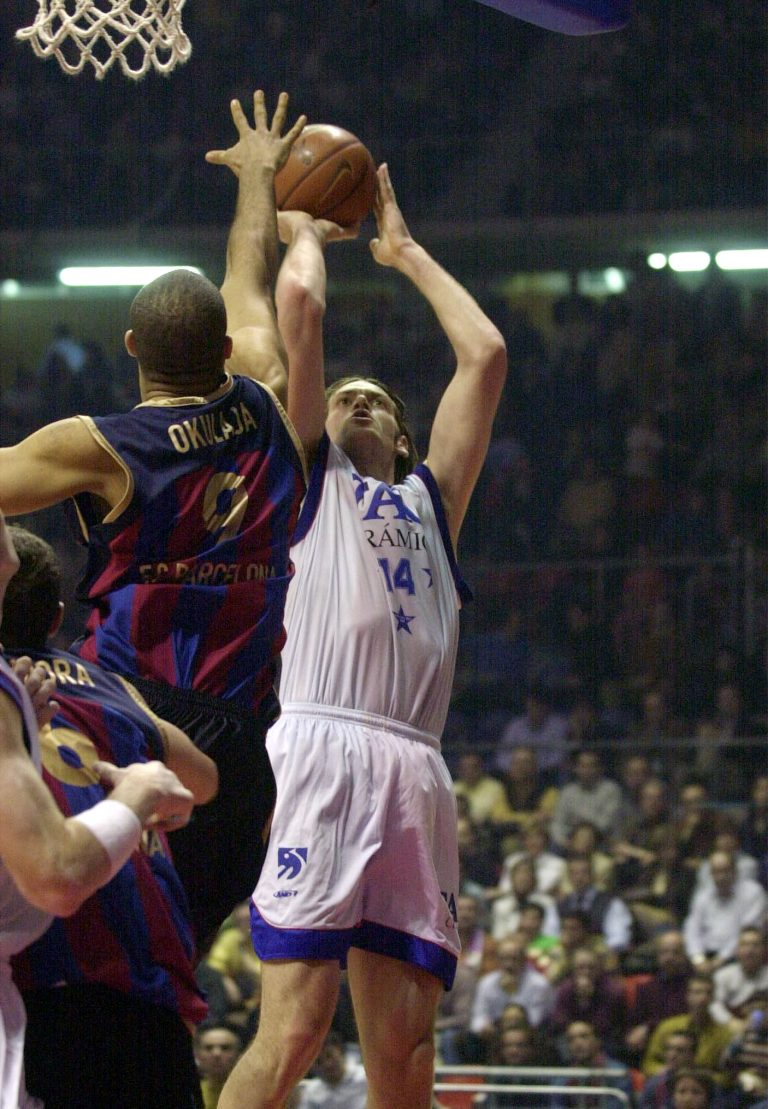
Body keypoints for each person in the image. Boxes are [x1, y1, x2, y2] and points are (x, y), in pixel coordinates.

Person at [219, 162, 507, 1109]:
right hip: (322, 744)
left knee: (407, 1050)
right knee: (296, 1030)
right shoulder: (310, 480)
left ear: (407, 436)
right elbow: (299, 306)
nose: (358, 402)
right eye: (344, 395)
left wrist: (407, 253)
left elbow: (485, 355)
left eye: (377, 397)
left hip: (416, 767)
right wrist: (306, 228)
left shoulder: (433, 503)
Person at [0, 91, 312, 942]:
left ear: (131, 347)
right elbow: (247, 274)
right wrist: (258, 176)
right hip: (243, 738)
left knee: (88, 935)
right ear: (225, 349)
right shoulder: (266, 396)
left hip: (130, 716)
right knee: (178, 953)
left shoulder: (104, 448)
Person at [2, 525, 218, 1108]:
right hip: (142, 980)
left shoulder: (16, 691)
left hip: (45, 985)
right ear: (56, 619)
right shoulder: (110, 686)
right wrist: (138, 780)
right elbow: (204, 780)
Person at [683, 851, 768, 973]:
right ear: (711, 874)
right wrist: (698, 959)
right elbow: (692, 929)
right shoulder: (703, 896)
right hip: (705, 957)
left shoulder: (754, 893)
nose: (721, 877)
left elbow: (748, 931)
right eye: (716, 872)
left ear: (735, 871)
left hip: (738, 957)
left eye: (725, 871)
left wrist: (721, 959)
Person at [643, 974, 733, 1081]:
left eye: (708, 993)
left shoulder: (724, 1034)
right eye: (697, 992)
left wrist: (701, 1078)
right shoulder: (668, 1027)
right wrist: (668, 1072)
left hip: (705, 1085)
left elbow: (727, 1075)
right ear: (688, 995)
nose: (703, 998)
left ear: (713, 998)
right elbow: (649, 1063)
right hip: (669, 1080)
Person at [470, 932, 555, 1036]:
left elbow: (534, 1021)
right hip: (493, 1035)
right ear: (497, 959)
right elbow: (478, 1018)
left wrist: (511, 991)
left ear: (524, 959)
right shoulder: (486, 983)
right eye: (504, 959)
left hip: (529, 1036)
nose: (509, 964)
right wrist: (483, 1026)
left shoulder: (539, 985)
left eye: (514, 959)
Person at [551, 1020, 633, 1109]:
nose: (577, 1043)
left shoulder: (618, 1073)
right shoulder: (563, 1077)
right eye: (571, 1039)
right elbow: (556, 1105)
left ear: (597, 1040)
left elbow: (618, 1105)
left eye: (584, 1036)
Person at [293, 1031, 368, 1109]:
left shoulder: (366, 1078)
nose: (327, 1064)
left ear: (339, 1050)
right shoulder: (311, 1093)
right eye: (318, 1062)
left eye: (329, 1055)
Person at [638, 1029, 698, 1109]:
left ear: (692, 1055)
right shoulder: (654, 1084)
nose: (672, 1055)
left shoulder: (704, 1084)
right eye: (669, 1049)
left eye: (680, 1050)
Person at [194, 1021, 246, 1109]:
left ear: (240, 1054)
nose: (216, 1054)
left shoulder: (255, 1094)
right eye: (209, 1048)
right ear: (197, 1055)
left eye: (225, 1048)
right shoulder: (188, 1096)